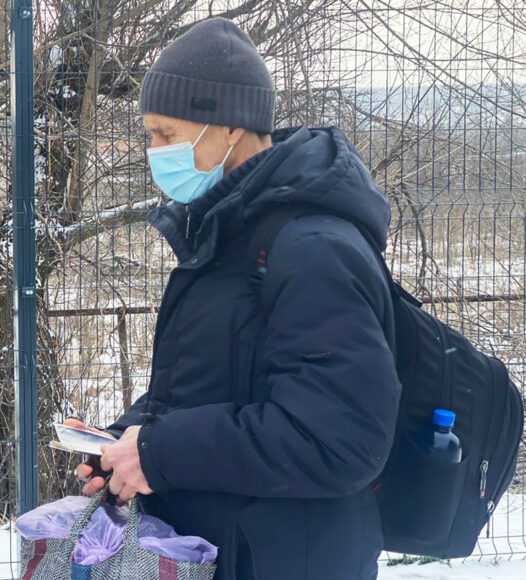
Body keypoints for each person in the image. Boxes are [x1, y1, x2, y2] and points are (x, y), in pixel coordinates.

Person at [70, 17, 400, 580]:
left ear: (229, 128)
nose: (153, 152)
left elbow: (340, 441)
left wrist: (160, 453)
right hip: (226, 550)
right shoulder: (228, 236)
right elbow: (212, 385)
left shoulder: (311, 248)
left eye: (166, 133)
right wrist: (126, 439)